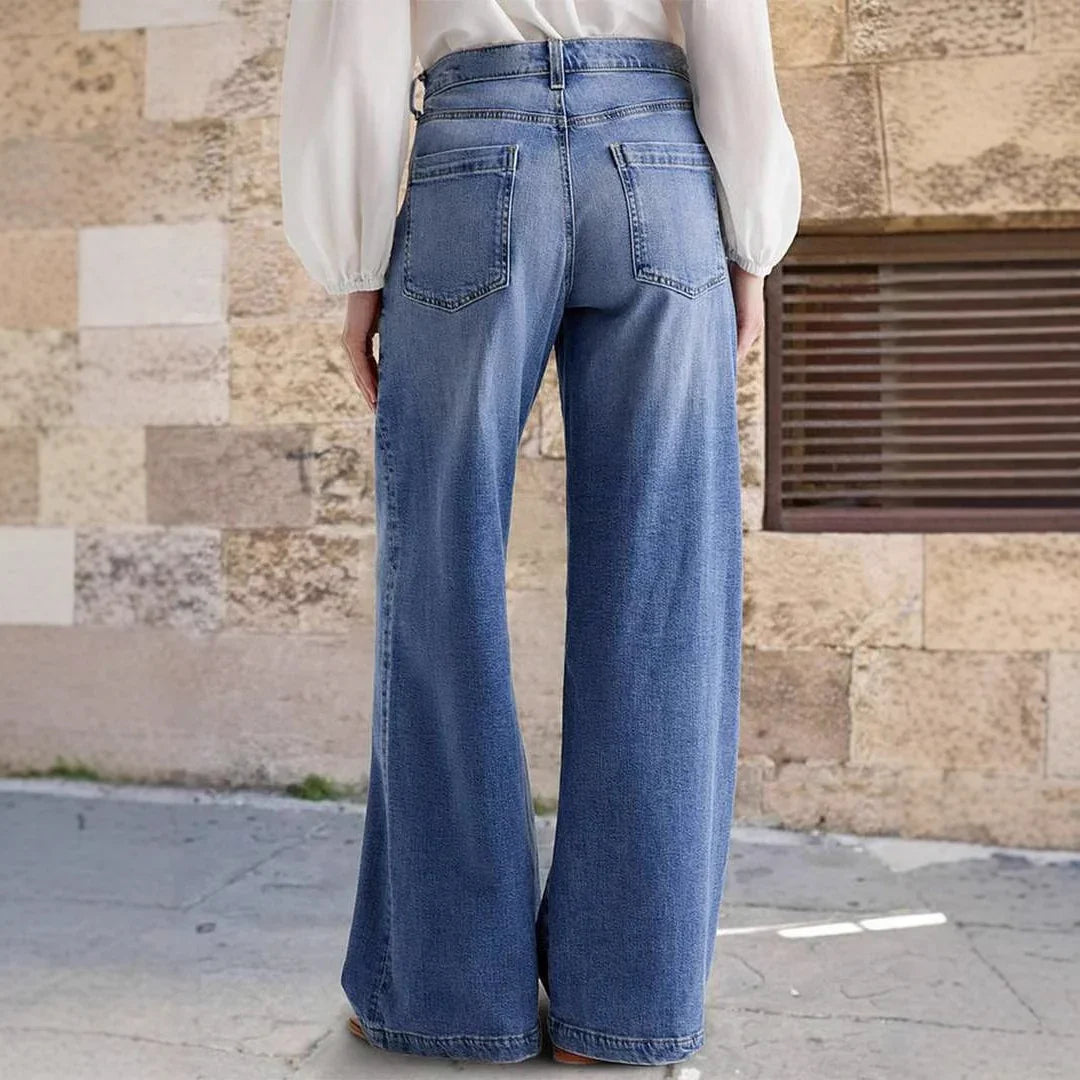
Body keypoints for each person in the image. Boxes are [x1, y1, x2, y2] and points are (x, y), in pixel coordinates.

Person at [279, 0, 801, 1067]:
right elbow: (728, 20)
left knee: (441, 584)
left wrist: (355, 265)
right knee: (668, 595)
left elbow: (352, 29)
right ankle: (631, 1007)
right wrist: (753, 234)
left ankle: (449, 995)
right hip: (661, 157)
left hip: (475, 157)